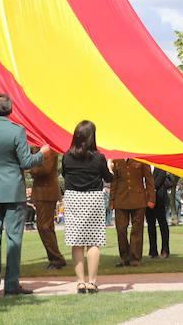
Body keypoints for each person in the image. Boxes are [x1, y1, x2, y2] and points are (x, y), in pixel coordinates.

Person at [0, 93, 49, 297]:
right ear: (11, 110)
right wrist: (42, 154)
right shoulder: (17, 131)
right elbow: (26, 162)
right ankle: (12, 285)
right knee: (14, 238)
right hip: (14, 190)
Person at [61, 119, 113, 294]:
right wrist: (110, 166)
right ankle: (92, 282)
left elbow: (64, 173)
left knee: (76, 242)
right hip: (93, 199)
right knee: (94, 241)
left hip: (73, 199)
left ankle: (80, 282)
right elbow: (109, 178)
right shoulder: (99, 157)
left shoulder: (67, 156)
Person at [110, 158, 154, 267]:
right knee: (120, 229)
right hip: (120, 200)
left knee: (137, 230)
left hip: (138, 199)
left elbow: (149, 180)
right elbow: (114, 182)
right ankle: (124, 258)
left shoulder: (141, 159)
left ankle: (135, 259)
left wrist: (151, 199)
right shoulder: (117, 160)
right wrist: (111, 200)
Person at [27, 144, 65, 270]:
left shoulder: (50, 149)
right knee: (46, 227)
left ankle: (56, 259)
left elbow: (45, 170)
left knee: (44, 226)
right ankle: (56, 258)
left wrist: (28, 168)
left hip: (47, 191)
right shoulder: (37, 148)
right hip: (42, 191)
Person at [146, 166, 172, 260]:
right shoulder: (144, 165)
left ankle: (165, 250)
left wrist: (150, 189)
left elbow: (160, 178)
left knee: (162, 224)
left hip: (159, 198)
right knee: (150, 225)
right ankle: (153, 251)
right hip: (147, 198)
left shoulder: (159, 166)